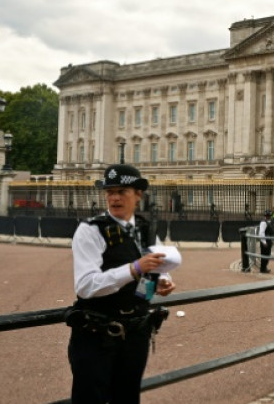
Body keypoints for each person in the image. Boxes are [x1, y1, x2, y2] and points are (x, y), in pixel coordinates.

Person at [67, 164, 180, 403]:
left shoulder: (145, 229)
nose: (114, 197)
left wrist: (163, 280)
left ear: (138, 194)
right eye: (110, 192)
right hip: (97, 336)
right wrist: (133, 269)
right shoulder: (90, 230)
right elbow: (86, 286)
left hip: (136, 335)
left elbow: (158, 265)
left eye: (122, 191)